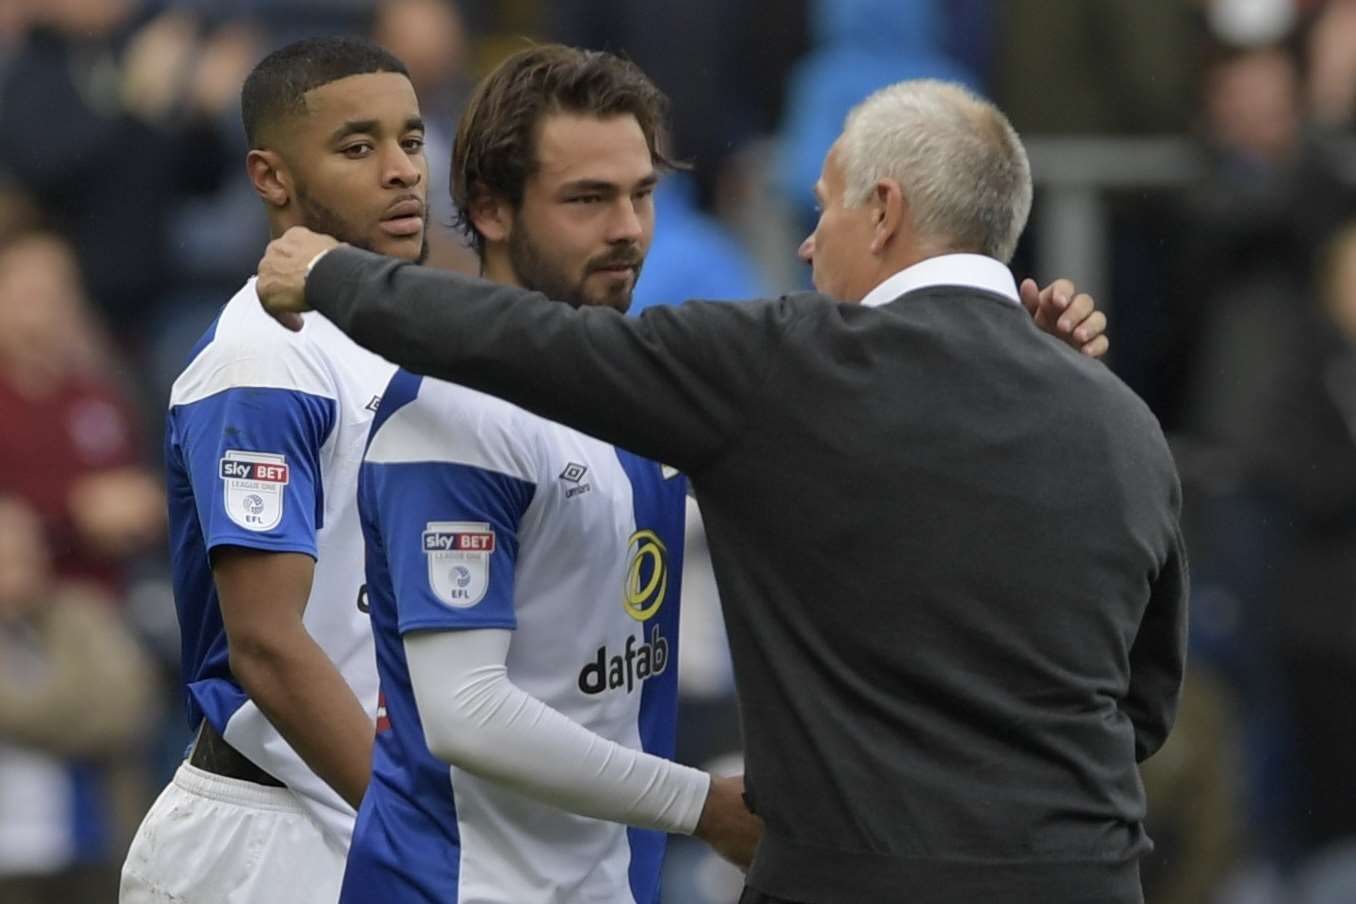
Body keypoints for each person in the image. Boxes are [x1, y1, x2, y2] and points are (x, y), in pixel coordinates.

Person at [258, 78, 1184, 904]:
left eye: (822, 210)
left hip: (848, 876)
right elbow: (1141, 707)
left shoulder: (783, 367)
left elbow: (527, 342)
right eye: (591, 198)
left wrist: (332, 272)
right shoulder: (1124, 422)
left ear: (886, 212)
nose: (810, 242)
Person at [119, 37, 430, 903]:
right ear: (270, 178)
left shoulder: (405, 340)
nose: (402, 170)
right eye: (357, 146)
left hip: (371, 815)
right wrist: (427, 836)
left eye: (410, 139)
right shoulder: (267, 356)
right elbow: (267, 643)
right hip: (270, 840)